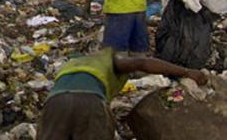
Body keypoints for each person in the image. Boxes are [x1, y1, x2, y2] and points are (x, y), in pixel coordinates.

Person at [38, 48, 207, 140]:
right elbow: (142, 63)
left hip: (54, 104)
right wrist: (186, 72)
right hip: (89, 102)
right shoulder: (109, 58)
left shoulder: (73, 63)